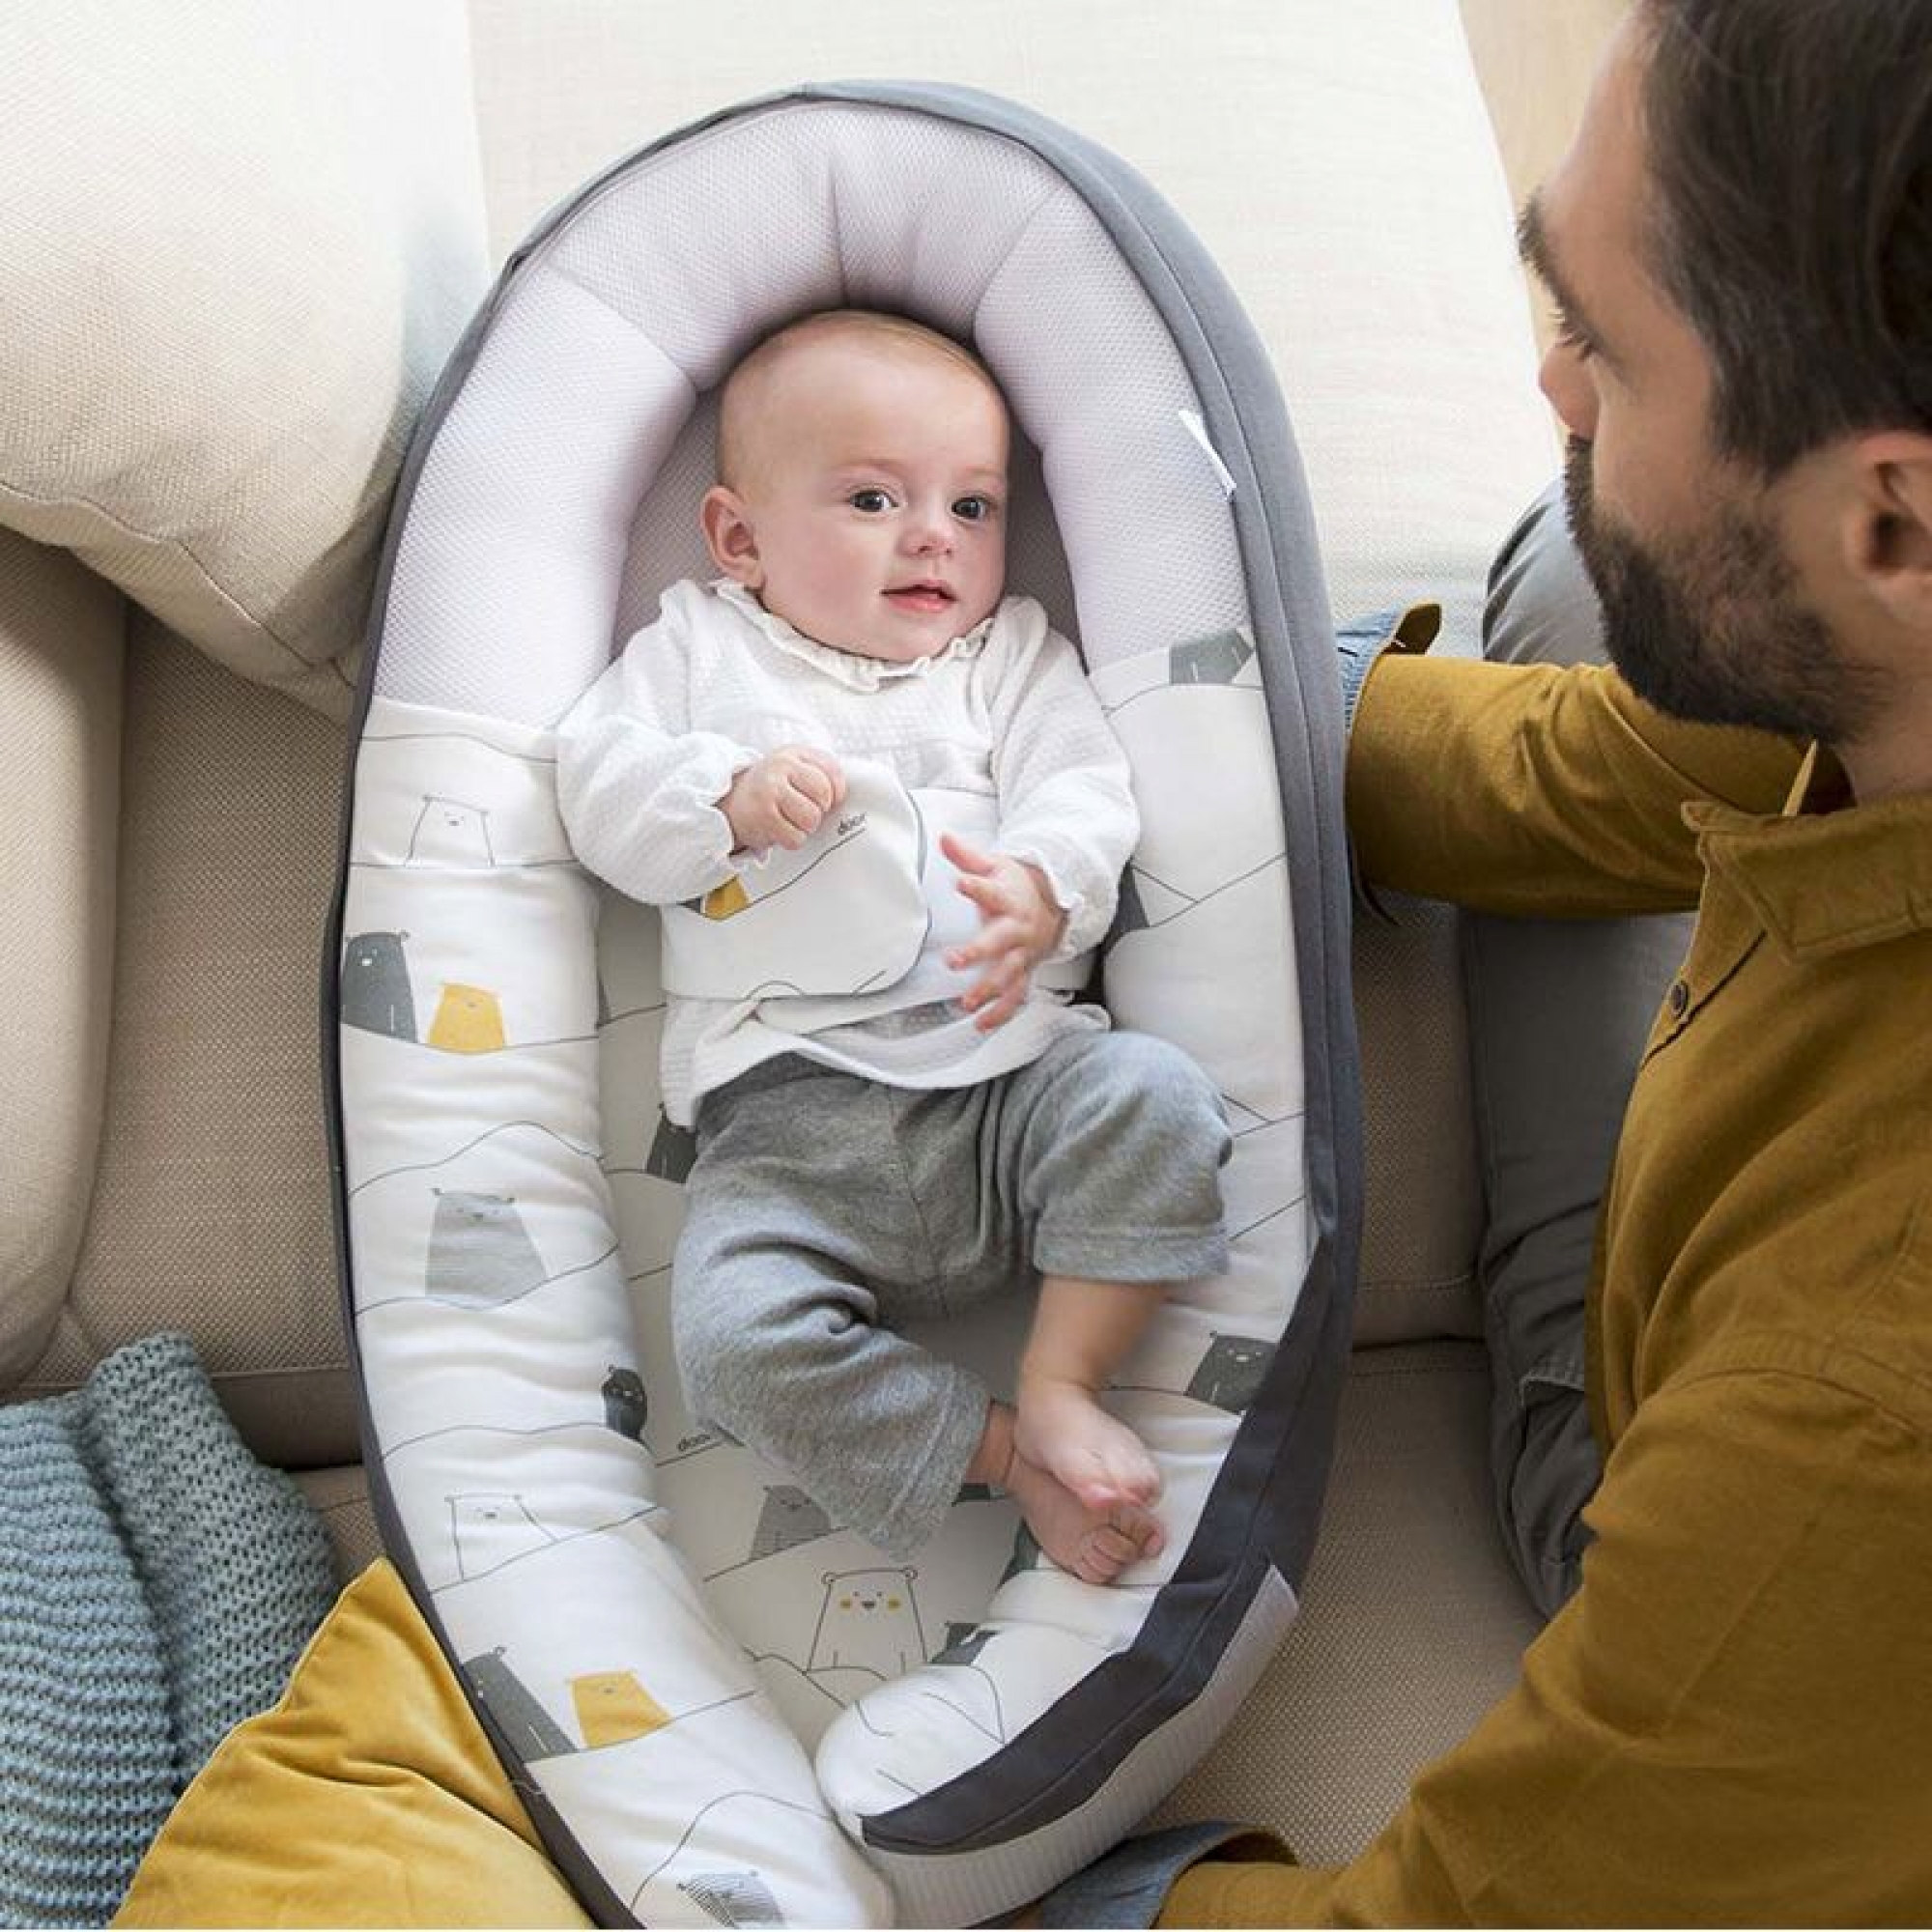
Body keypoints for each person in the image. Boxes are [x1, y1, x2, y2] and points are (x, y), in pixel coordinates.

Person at [1040, 0, 1932, 1919]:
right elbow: (1602, 766)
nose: (1546, 373)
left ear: (1894, 516)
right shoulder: (1892, 619)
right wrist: (1142, 706)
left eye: (1603, 341)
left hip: (1726, 1552)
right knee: (1581, 551)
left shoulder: (1856, 1404)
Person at [555, 308, 1231, 1588]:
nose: (936, 536)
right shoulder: (701, 648)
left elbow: (1087, 783)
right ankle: (1004, 1453)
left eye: (974, 506)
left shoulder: (1009, 656)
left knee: (1158, 1101)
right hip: (785, 1132)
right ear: (739, 538)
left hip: (1011, 1085)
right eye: (874, 498)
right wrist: (723, 795)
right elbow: (596, 792)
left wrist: (1047, 884)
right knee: (730, 1348)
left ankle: (1064, 1375)